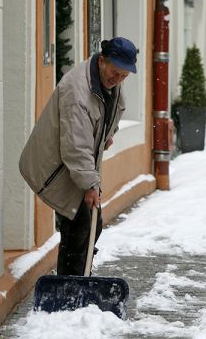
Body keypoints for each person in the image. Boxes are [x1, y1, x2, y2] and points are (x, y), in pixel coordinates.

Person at [19, 37, 137, 275]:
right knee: (80, 222)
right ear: (102, 60)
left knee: (89, 222)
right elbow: (76, 145)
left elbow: (113, 109)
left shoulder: (107, 80)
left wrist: (107, 134)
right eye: (115, 73)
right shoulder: (78, 93)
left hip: (75, 163)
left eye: (124, 76)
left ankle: (77, 276)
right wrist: (90, 185)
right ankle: (71, 282)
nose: (117, 80)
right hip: (55, 165)